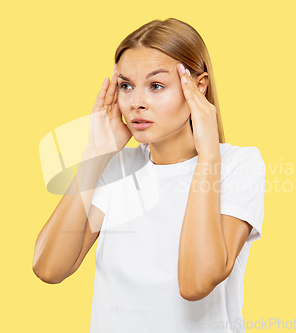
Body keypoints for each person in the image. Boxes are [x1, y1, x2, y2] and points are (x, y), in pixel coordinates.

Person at [33, 18, 266, 333]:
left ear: (198, 87)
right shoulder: (117, 166)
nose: (136, 103)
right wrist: (95, 155)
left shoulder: (239, 165)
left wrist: (208, 155)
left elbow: (195, 283)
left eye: (156, 86)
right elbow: (49, 267)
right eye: (126, 86)